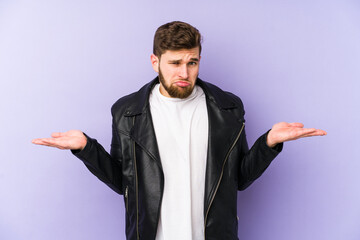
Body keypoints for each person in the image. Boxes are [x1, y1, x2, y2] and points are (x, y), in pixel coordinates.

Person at [32, 21, 327, 240]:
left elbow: (240, 179)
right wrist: (86, 149)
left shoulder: (228, 108)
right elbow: (125, 182)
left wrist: (269, 143)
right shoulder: (127, 112)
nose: (184, 73)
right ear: (155, 62)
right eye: (174, 63)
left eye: (192, 62)